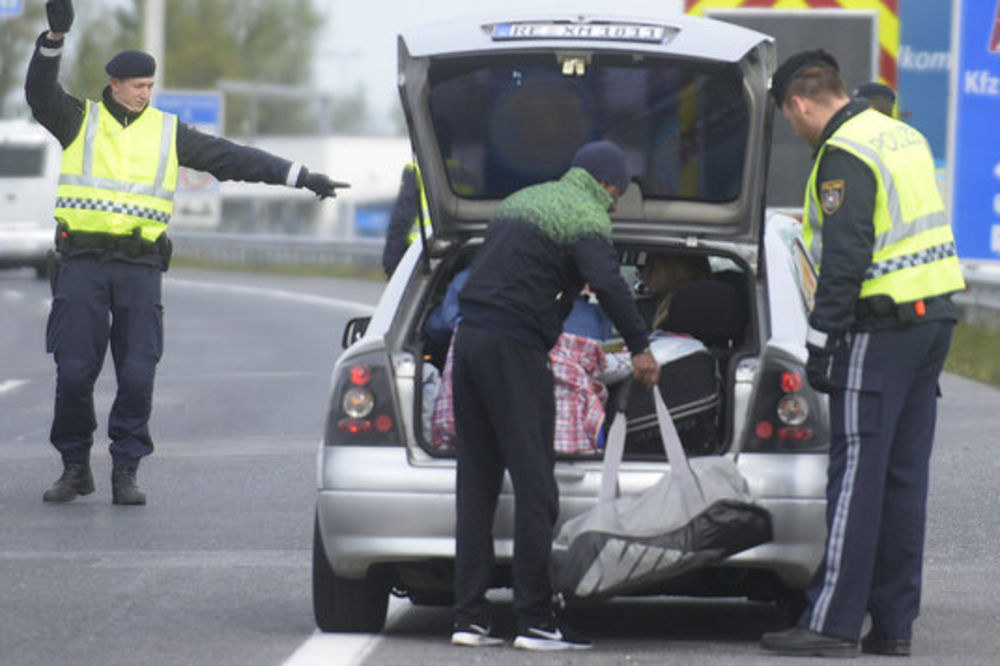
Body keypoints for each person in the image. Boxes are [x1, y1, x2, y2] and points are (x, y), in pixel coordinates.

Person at [27, 0, 349, 506]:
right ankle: (75, 467)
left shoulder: (166, 132)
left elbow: (233, 158)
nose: (145, 93)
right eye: (138, 86)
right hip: (82, 264)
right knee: (73, 372)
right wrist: (54, 40)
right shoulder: (78, 121)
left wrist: (301, 177)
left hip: (140, 267)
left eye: (150, 86)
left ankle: (126, 471)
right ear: (113, 84)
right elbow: (38, 94)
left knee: (137, 373)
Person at [760, 50, 966, 658]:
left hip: (878, 332)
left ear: (798, 104)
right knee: (903, 482)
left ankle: (830, 624)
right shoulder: (901, 137)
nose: (796, 132)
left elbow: (845, 261)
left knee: (855, 480)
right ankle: (894, 625)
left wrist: (820, 346)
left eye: (789, 119)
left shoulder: (844, 153)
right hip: (933, 322)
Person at [448, 140, 659, 651]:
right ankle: (535, 621)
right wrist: (639, 347)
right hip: (514, 348)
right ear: (608, 185)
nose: (612, 207)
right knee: (536, 486)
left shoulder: (523, 199)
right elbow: (608, 282)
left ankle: (470, 618)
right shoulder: (585, 211)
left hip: (468, 341)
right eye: (616, 197)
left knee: (476, 485)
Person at [637, 252, 712, 330]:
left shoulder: (683, 308)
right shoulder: (662, 302)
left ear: (677, 272)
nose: (643, 275)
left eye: (654, 268)